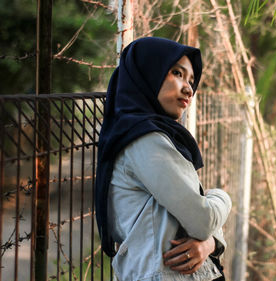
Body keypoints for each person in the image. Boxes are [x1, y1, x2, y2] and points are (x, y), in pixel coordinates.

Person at [95, 37, 231, 281]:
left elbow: (198, 217)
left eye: (191, 80)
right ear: (148, 73)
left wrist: (209, 243)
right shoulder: (145, 140)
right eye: (177, 73)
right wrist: (223, 197)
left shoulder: (152, 134)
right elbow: (203, 219)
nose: (189, 88)